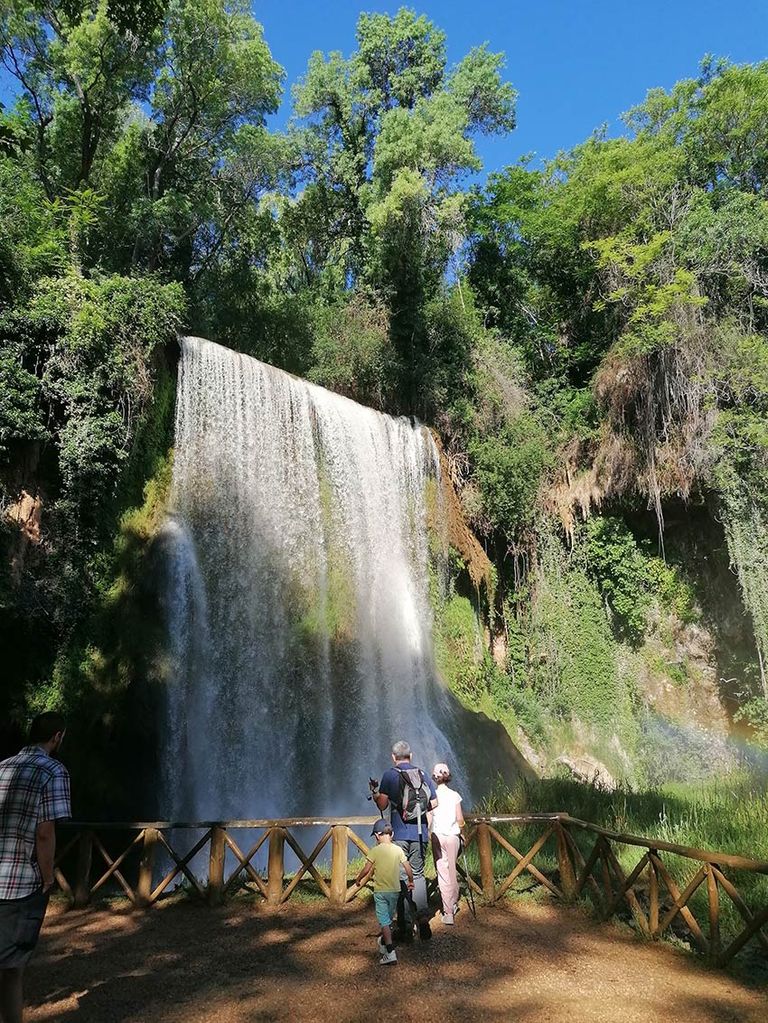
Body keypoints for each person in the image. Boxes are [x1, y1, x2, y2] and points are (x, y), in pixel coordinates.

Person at [0, 712, 71, 1023]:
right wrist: (47, 878)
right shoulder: (53, 771)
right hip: (21, 884)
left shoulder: (2, 767)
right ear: (57, 736)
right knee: (12, 967)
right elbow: (45, 832)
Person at [373, 740, 436, 941]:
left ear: (393, 757)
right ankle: (423, 919)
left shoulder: (390, 775)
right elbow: (433, 802)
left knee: (401, 877)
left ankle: (405, 925)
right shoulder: (422, 774)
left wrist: (375, 794)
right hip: (420, 833)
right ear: (411, 755)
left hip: (399, 834)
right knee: (417, 875)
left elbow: (382, 805)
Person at [354, 819, 415, 965]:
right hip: (395, 890)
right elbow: (407, 868)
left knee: (384, 922)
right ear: (392, 834)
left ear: (377, 836)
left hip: (381, 891)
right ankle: (384, 942)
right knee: (388, 918)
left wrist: (358, 879)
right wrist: (411, 881)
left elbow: (367, 869)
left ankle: (390, 952)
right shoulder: (398, 850)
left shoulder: (375, 850)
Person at [429, 762, 464, 925]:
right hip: (453, 837)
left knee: (442, 873)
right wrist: (462, 831)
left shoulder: (432, 796)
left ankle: (447, 911)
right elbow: (460, 819)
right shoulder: (455, 795)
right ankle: (454, 902)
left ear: (435, 777)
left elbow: (429, 818)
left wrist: (428, 833)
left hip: (437, 836)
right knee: (452, 870)